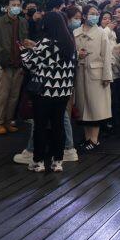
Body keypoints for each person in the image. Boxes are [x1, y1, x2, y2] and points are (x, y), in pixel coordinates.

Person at [21, 11, 77, 172]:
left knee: (40, 126)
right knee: (58, 126)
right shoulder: (70, 43)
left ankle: (38, 162)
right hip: (63, 92)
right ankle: (57, 161)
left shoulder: (46, 43)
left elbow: (30, 64)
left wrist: (24, 51)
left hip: (44, 92)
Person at [0, 0, 31, 135]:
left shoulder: (23, 22)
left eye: (18, 4)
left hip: (19, 65)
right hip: (4, 64)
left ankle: (8, 121)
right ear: (7, 7)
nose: (16, 7)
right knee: (1, 95)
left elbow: (25, 40)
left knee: (13, 96)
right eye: (13, 4)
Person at [74, 6, 114, 151]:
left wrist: (107, 76)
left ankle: (94, 139)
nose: (95, 16)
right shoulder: (75, 32)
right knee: (82, 106)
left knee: (95, 108)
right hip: (80, 72)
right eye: (92, 14)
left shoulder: (102, 33)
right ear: (84, 15)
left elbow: (107, 56)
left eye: (97, 14)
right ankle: (87, 139)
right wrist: (78, 55)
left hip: (96, 74)